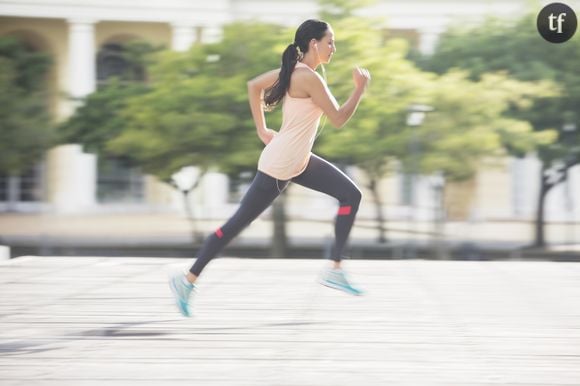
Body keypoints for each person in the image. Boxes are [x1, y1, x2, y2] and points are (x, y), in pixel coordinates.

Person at [169, 19, 371, 317]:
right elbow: (339, 119)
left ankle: (336, 268)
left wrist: (263, 131)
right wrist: (359, 89)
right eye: (330, 42)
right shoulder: (309, 78)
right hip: (280, 164)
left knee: (351, 196)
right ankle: (187, 280)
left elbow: (254, 86)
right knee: (235, 225)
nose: (334, 48)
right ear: (314, 44)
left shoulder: (294, 72)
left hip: (297, 160)